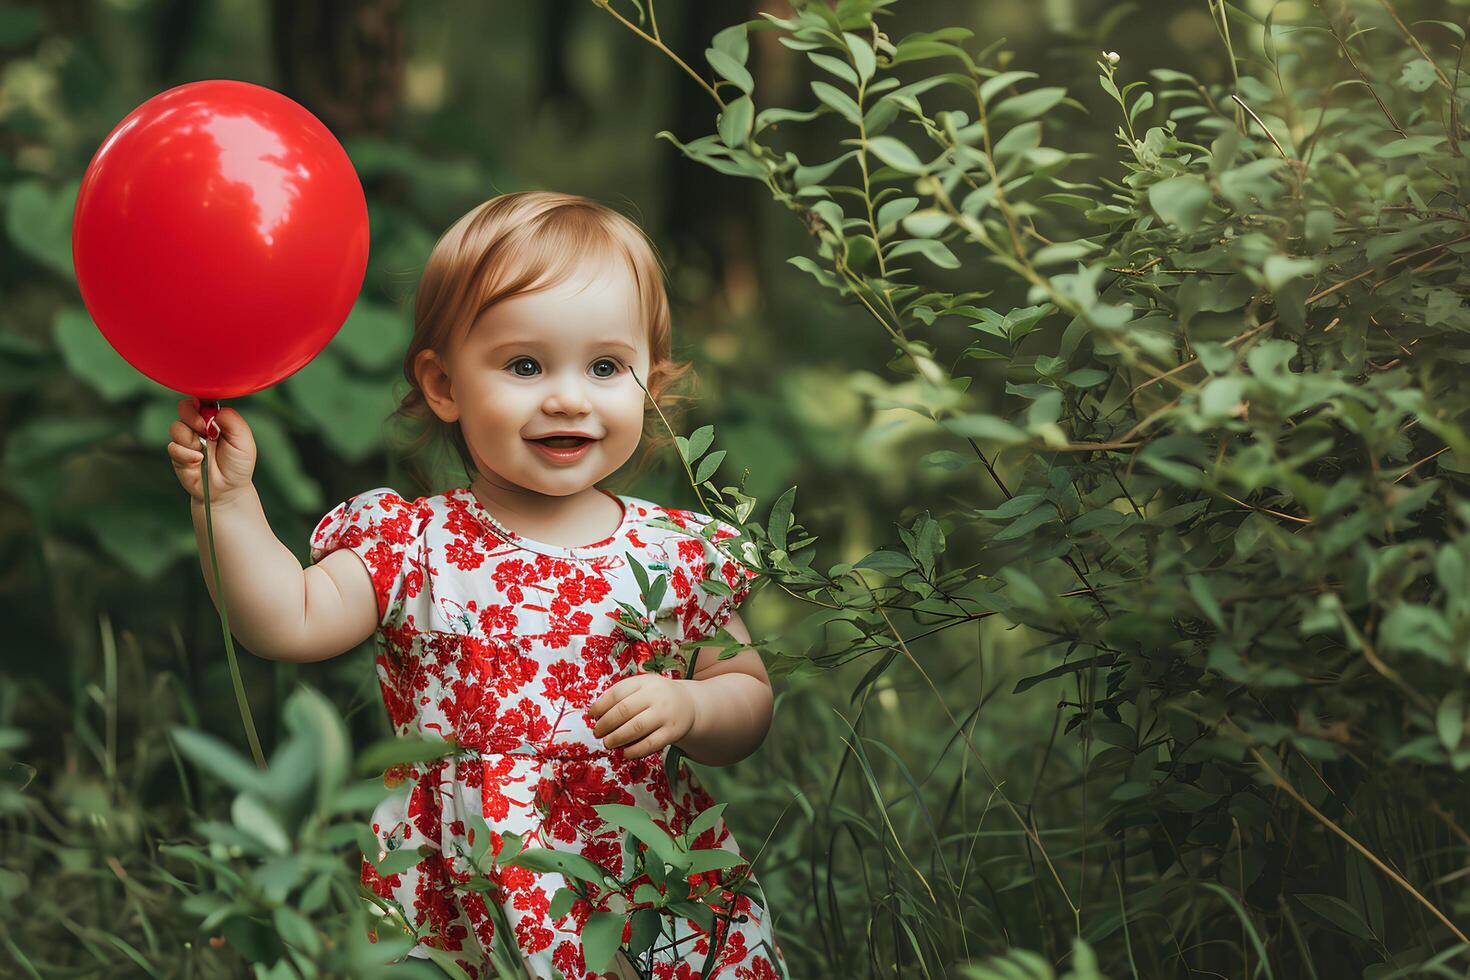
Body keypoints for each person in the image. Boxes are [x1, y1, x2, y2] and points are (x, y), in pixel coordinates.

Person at [165, 191, 789, 980]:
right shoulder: (416, 544)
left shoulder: (671, 556)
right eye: (524, 365)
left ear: (651, 386)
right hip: (459, 887)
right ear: (444, 384)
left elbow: (747, 695)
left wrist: (695, 706)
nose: (567, 395)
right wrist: (227, 504)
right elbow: (286, 620)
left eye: (605, 366)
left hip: (639, 873)